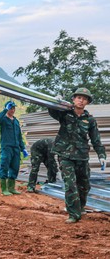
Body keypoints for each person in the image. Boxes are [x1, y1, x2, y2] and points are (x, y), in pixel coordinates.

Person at [48, 87, 106, 224]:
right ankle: (74, 214)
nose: (81, 100)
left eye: (84, 98)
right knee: (70, 184)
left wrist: (102, 155)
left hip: (82, 156)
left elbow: (96, 139)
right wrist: (55, 102)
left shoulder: (90, 120)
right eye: (79, 97)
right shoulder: (65, 114)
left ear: (87, 102)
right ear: (73, 99)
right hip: (65, 155)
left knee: (84, 185)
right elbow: (52, 112)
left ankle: (80, 207)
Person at [0, 101, 27, 196]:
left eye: (14, 108)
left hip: (16, 148)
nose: (13, 110)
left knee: (15, 167)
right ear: (7, 109)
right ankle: (4, 189)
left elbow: (19, 136)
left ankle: (11, 188)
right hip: (7, 147)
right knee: (4, 166)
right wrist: (5, 109)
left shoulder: (16, 121)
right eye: (11, 108)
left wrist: (23, 148)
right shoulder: (4, 120)